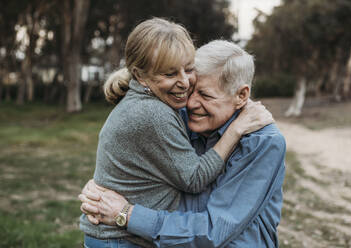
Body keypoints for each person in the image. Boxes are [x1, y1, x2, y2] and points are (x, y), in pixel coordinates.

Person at [79, 18, 273, 248]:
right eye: (170, 74)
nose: (184, 82)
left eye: (189, 69)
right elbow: (195, 179)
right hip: (119, 240)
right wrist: (236, 130)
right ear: (141, 76)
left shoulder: (166, 106)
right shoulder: (155, 113)